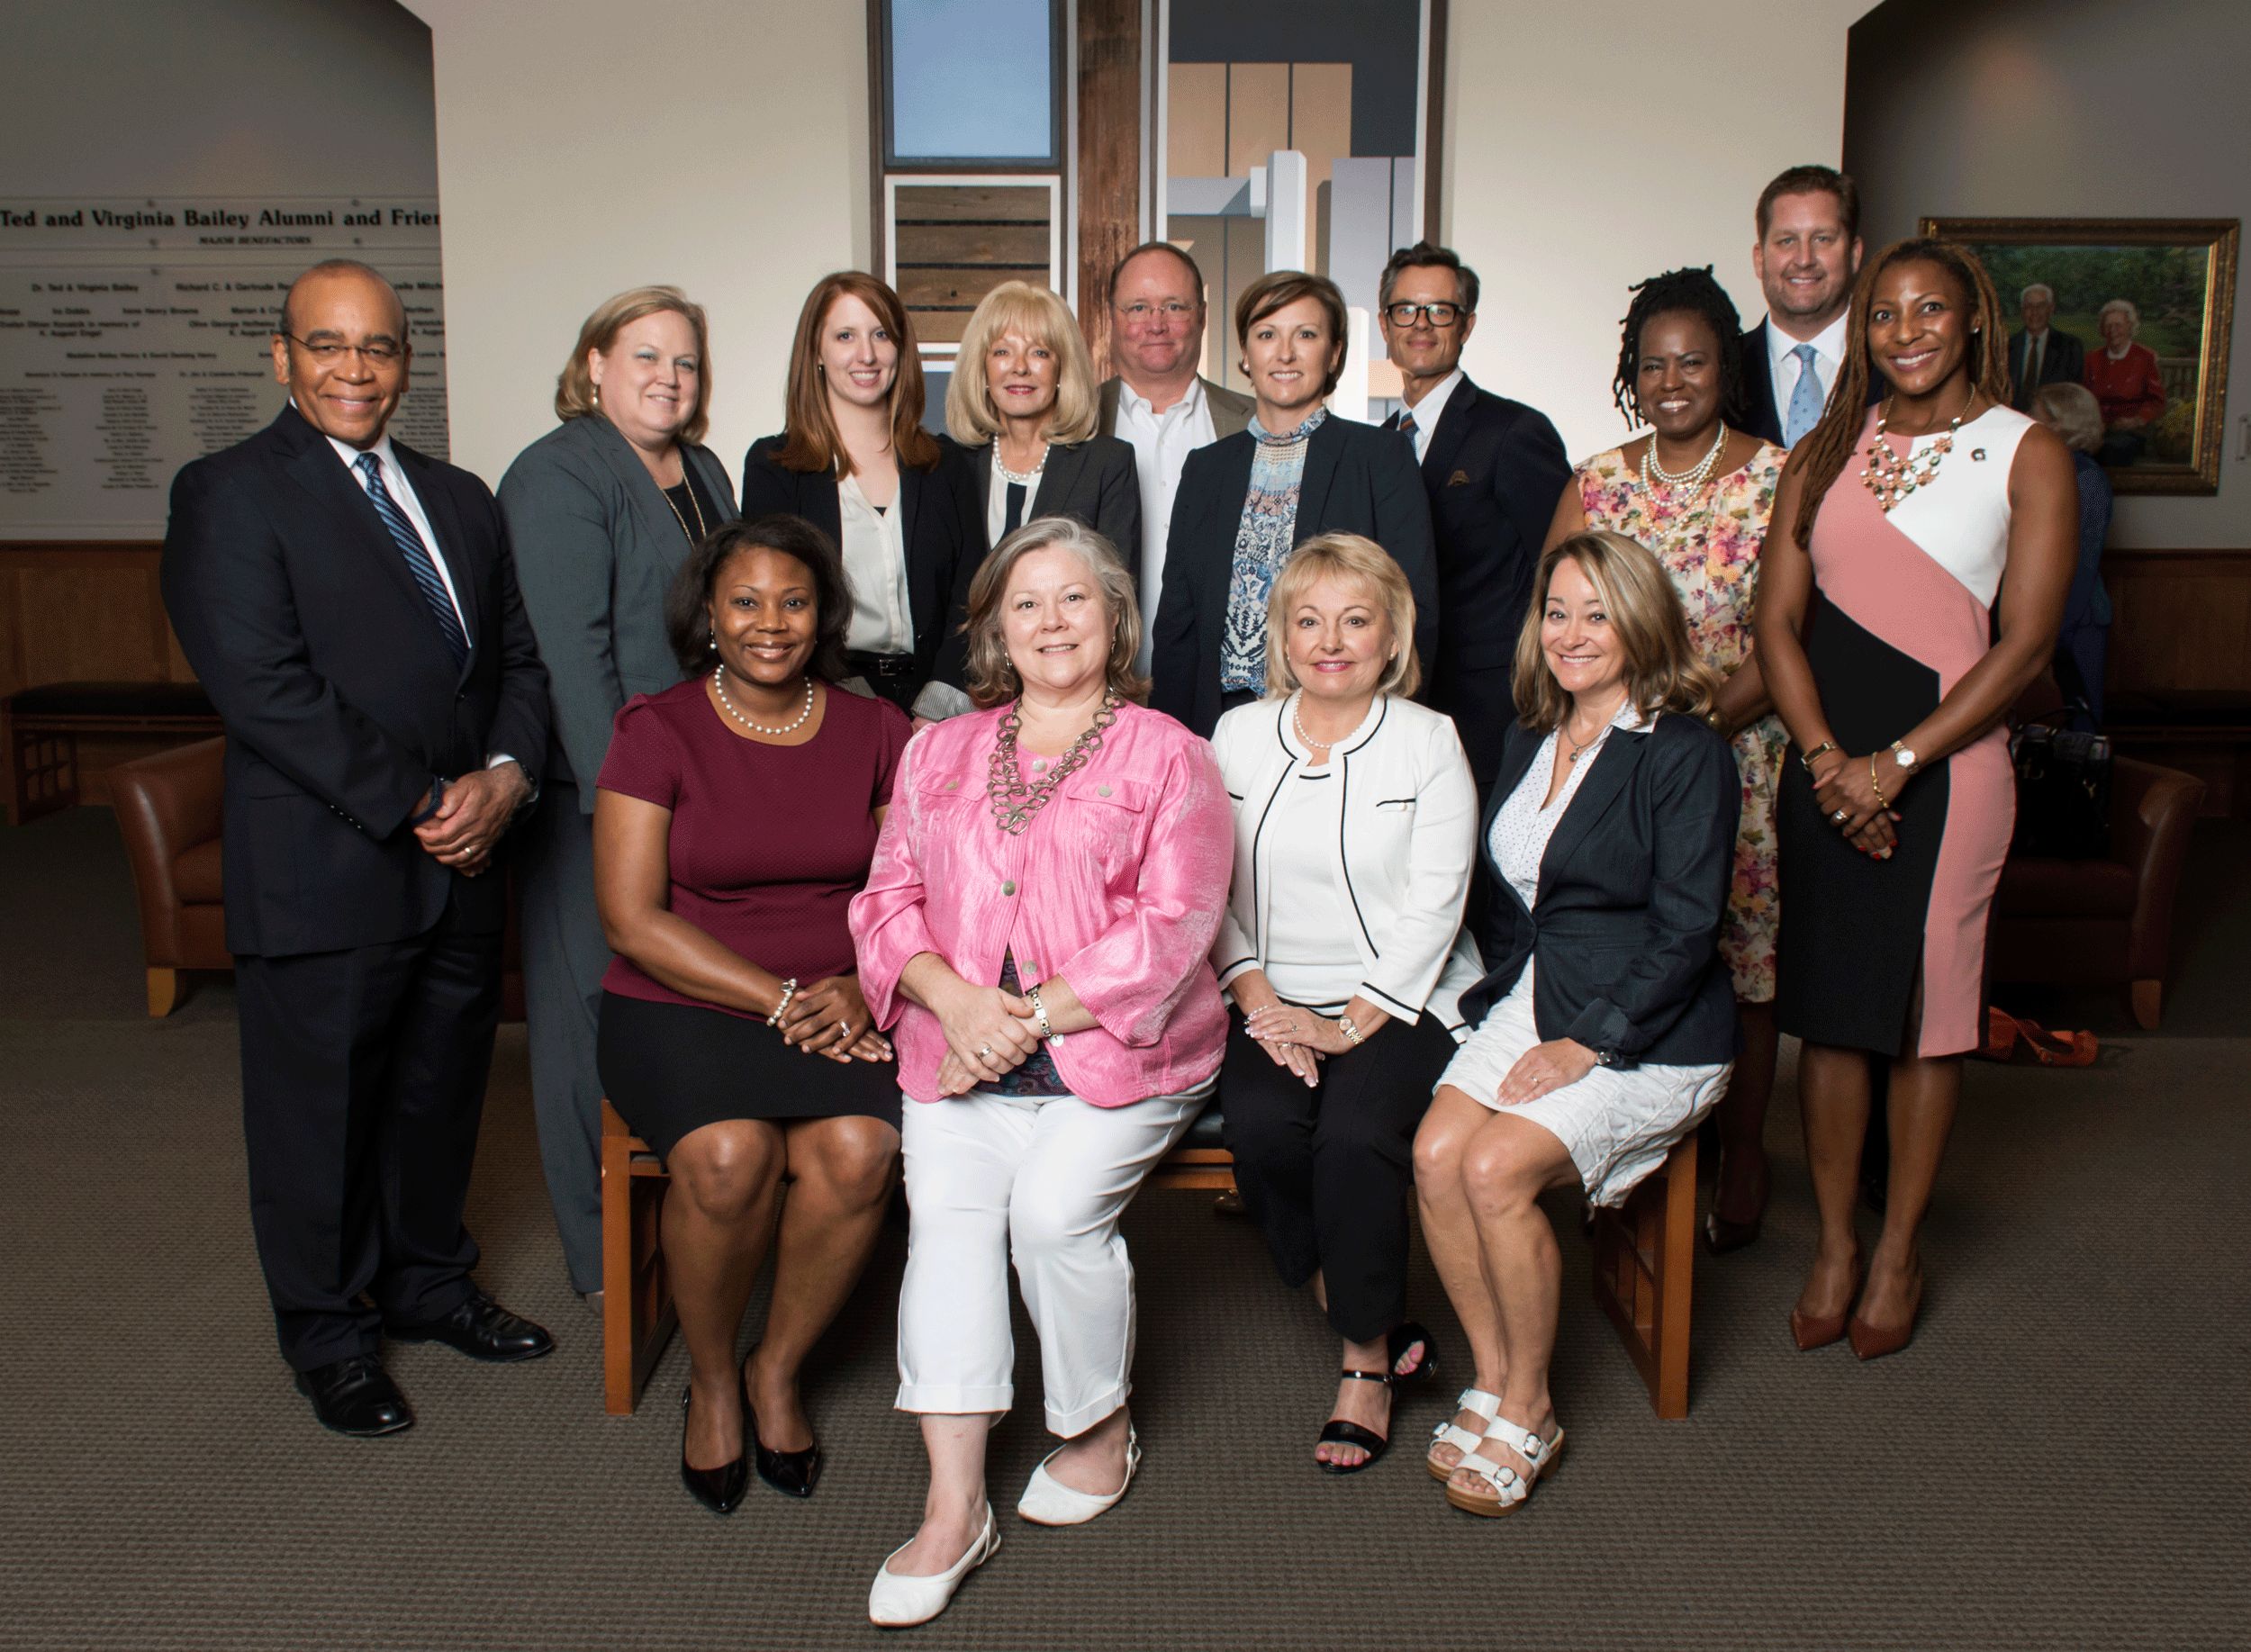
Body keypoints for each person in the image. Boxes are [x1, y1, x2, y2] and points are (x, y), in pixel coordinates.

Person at [159, 259, 554, 1437]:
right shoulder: (229, 491)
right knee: (317, 1115)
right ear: (282, 357)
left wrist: (503, 779)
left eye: (377, 347)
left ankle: (429, 1284)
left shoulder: (462, 494)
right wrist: (428, 800)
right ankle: (329, 1334)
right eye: (327, 345)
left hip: (466, 860)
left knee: (439, 1095)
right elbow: (263, 688)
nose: (354, 368)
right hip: (329, 865)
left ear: (405, 362)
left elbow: (518, 663)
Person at [848, 518, 1231, 1627]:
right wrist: (955, 999)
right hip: (956, 1044)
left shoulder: (1171, 753)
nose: (1051, 621)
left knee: (1053, 1216)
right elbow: (882, 899)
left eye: (1075, 599)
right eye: (1027, 603)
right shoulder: (939, 751)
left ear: (1115, 618)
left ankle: (1098, 1423)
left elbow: (1177, 925)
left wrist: (1026, 1015)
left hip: (1117, 1052)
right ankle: (952, 1504)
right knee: (952, 1229)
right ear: (995, 631)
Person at [1754, 239, 2076, 1360]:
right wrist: (1827, 760)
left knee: (1930, 1022)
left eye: (1928, 309)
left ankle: (1897, 1247)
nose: (1904, 331)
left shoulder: (2023, 451)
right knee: (1837, 1017)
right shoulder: (1822, 451)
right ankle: (1835, 1242)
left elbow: (2027, 641)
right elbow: (1775, 628)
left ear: (1972, 319)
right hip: (1826, 761)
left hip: (1950, 767)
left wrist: (1894, 765)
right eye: (1883, 314)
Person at [1414, 529, 1740, 1517]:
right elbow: (1518, 900)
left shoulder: (1685, 752)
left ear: (1641, 622)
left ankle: (1531, 1404)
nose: (1571, 631)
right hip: (1537, 995)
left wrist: (1588, 1039)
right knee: (1433, 1154)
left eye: (1597, 611)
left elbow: (1686, 932)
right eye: (1556, 610)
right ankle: (1492, 1369)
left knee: (1492, 1168)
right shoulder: (1529, 732)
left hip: (1650, 1023)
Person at [593, 516, 909, 1513]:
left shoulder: (877, 731)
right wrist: (776, 1000)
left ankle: (778, 1366)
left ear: (824, 616)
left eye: (794, 600)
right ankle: (716, 1377)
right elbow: (633, 918)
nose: (770, 622)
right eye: (745, 600)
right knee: (725, 1155)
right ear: (708, 614)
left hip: (838, 995)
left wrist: (865, 981)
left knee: (860, 1147)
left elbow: (916, 890)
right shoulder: (658, 729)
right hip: (683, 998)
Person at [1209, 533, 1482, 1472]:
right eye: (1308, 620)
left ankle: (1364, 1358)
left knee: (1356, 1135)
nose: (1332, 640)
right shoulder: (1237, 734)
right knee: (1260, 1125)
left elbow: (1437, 900)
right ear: (1280, 639)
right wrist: (1255, 996)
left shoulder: (1427, 738)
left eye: (1356, 619)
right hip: (1270, 990)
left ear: (1391, 635)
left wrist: (1349, 1021)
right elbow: (1208, 889)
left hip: (1401, 997)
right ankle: (1350, 1283)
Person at [499, 285, 739, 1313]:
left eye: (683, 361)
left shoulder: (709, 471)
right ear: (594, 363)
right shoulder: (557, 472)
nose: (666, 378)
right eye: (644, 356)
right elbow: (572, 660)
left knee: (678, 1007)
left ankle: (696, 1231)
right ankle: (605, 1264)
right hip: (600, 796)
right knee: (586, 1015)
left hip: (701, 781)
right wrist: (620, 808)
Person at [1544, 266, 1788, 1254]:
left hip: (1735, 754)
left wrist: (1690, 743)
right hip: (1612, 762)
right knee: (1632, 948)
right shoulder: (1597, 479)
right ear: (1630, 375)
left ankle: (1744, 1152)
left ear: (1724, 366)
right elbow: (1554, 615)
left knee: (1742, 965)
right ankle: (1635, 1149)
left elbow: (1786, 639)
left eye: (1692, 361)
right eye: (1653, 365)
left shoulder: (1778, 474)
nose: (1672, 380)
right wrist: (1622, 747)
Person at [1151, 270, 1438, 737]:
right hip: (1216, 722)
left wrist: (1385, 732)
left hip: (1341, 720)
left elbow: (1412, 608)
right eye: (1267, 335)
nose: (1284, 353)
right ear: (1246, 353)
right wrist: (1171, 738)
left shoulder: (1380, 457)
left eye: (1306, 334)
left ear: (1334, 353)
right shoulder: (1207, 468)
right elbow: (1176, 627)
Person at [740, 272, 984, 718]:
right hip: (825, 702)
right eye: (845, 336)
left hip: (940, 705)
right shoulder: (774, 467)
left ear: (899, 348)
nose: (867, 354)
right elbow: (777, 605)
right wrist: (858, 711)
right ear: (816, 350)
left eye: (880, 335)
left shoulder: (947, 465)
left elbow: (974, 596)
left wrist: (933, 712)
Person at [1377, 241, 1571, 792]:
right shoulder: (1376, 447)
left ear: (1467, 325)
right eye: (1405, 310)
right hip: (1394, 691)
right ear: (1387, 325)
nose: (1422, 324)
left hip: (1489, 697)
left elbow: (1558, 568)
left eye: (1441, 310)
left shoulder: (1513, 432)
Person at [1096, 240, 1255, 675]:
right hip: (1099, 689)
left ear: (1202, 316)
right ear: (1112, 318)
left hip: (1223, 691)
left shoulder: (1255, 424)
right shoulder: (1073, 424)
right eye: (1138, 308)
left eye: (1173, 307)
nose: (1156, 325)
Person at [940, 279, 1141, 552]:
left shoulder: (1108, 464)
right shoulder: (952, 464)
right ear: (982, 368)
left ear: (1062, 369)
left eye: (1039, 352)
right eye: (1002, 351)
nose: (1020, 367)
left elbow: (1116, 589)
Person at [1736, 165, 1873, 449]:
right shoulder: (1719, 372)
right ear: (1759, 260)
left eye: (1822, 239)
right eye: (1787, 241)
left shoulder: (1896, 364)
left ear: (1854, 254)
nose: (1804, 259)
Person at [2030, 381, 2114, 727]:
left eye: (2033, 414)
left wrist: (2050, 639)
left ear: (2057, 424)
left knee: (2079, 730)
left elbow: (2080, 566)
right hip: (2043, 622)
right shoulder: (2048, 471)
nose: (2025, 420)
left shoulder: (2086, 479)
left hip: (2076, 625)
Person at [2082, 298, 2167, 467]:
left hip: (2132, 432)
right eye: (2108, 326)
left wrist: (2137, 420)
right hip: (2097, 430)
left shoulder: (2144, 358)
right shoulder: (2093, 358)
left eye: (2118, 325)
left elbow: (2157, 401)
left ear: (2130, 327)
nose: (2113, 331)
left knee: (2109, 450)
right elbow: (2084, 397)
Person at [2008, 284, 2085, 412]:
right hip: (2013, 419)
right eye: (2029, 306)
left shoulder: (2069, 347)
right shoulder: (2006, 347)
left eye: (2041, 306)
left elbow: (2073, 395)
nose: (2034, 312)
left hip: (2053, 421)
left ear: (2051, 309)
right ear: (2022, 310)